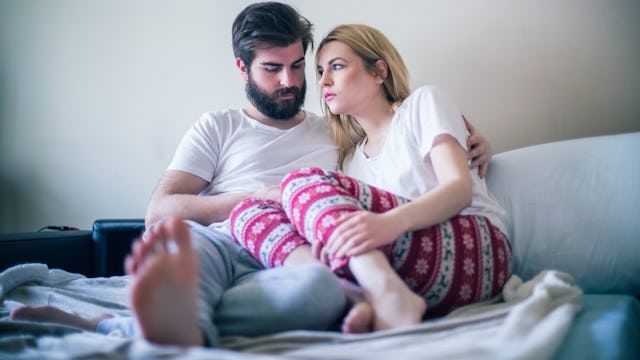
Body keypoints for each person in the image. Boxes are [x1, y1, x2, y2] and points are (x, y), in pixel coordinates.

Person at [10, 3, 493, 347]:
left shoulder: (340, 133)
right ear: (242, 66)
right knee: (193, 256)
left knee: (322, 294)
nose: (292, 82)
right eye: (272, 69)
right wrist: (259, 195)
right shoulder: (218, 125)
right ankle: (170, 320)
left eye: (299, 66)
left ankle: (128, 326)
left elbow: (400, 150)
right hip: (222, 241)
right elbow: (160, 210)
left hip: (297, 258)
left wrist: (476, 143)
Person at [229, 23, 511, 332]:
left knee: (300, 181)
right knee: (248, 212)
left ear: (379, 72)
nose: (324, 81)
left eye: (336, 66)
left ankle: (385, 293)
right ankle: (356, 295)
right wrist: (332, 237)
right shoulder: (350, 161)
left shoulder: (422, 104)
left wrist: (387, 224)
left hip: (478, 249)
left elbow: (460, 190)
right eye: (321, 71)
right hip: (407, 267)